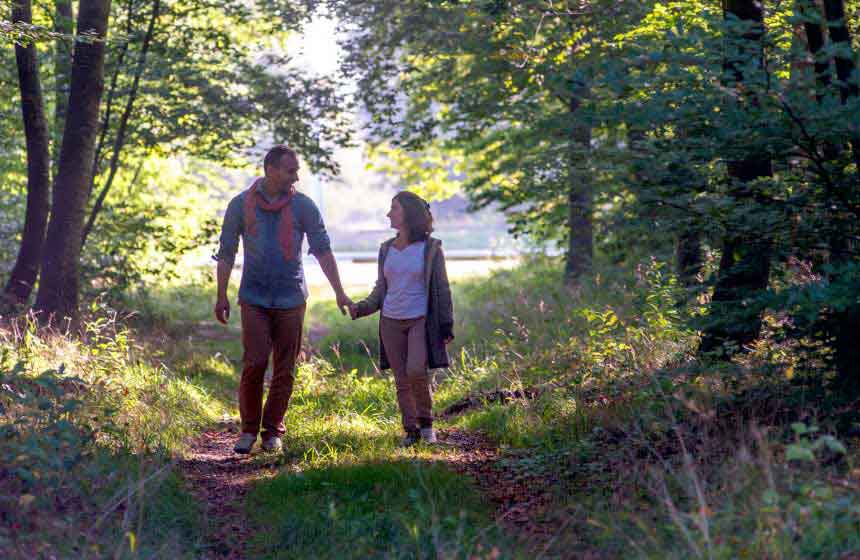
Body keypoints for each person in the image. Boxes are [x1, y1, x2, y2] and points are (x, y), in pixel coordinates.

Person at [214, 145, 352, 454]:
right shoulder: (240, 205)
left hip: (291, 297)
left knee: (285, 367)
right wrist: (221, 294)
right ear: (271, 170)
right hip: (253, 297)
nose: (296, 176)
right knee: (255, 362)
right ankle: (248, 430)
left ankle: (272, 430)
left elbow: (323, 249)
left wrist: (339, 291)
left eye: (297, 170)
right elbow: (226, 252)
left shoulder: (304, 207)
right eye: (290, 171)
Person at [349, 191, 454, 446]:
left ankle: (427, 425)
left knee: (417, 370)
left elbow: (442, 287)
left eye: (393, 209)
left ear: (408, 213)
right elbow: (381, 288)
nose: (388, 214)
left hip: (420, 319)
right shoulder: (386, 249)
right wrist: (361, 308)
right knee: (401, 379)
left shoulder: (431, 249)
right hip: (391, 321)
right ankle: (411, 431)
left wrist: (446, 323)